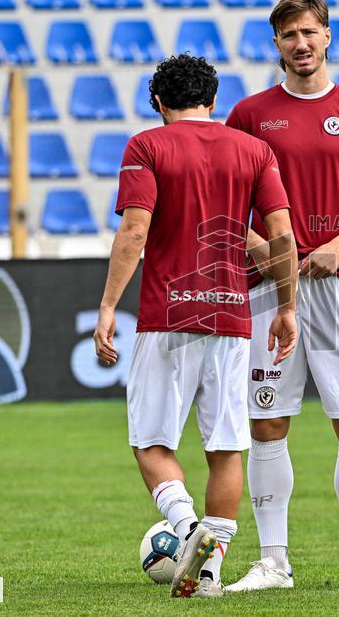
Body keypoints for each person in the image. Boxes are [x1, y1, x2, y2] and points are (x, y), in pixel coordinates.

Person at [93, 54, 298, 599]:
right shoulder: (254, 149)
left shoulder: (148, 146)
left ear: (158, 102)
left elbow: (135, 232)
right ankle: (208, 572)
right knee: (226, 448)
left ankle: (186, 531)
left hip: (168, 314)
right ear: (215, 99)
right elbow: (281, 237)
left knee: (151, 443)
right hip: (231, 318)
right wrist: (286, 307)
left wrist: (109, 305)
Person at [223, 0, 339, 591]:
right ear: (275, 44)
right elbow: (229, 206)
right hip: (265, 292)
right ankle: (273, 562)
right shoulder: (248, 116)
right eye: (288, 35)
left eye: (309, 33)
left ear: (328, 36)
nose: (300, 44)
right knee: (266, 424)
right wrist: (266, 251)